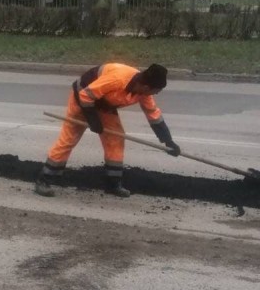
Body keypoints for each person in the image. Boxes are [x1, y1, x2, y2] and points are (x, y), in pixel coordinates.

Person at [35, 62, 180, 198]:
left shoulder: (142, 92)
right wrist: (93, 121)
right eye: (156, 91)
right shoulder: (117, 79)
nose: (155, 94)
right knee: (69, 139)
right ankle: (44, 180)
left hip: (104, 106)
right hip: (82, 99)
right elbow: (85, 95)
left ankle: (112, 183)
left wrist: (168, 141)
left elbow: (153, 114)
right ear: (146, 87)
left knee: (116, 139)